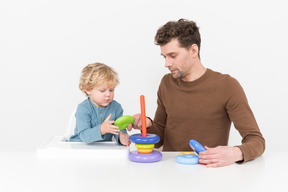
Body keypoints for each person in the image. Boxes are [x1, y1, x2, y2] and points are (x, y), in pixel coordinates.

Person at [127, 19, 265, 167]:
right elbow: (159, 138)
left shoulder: (227, 86)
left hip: (209, 172)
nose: (167, 64)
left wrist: (235, 153)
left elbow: (256, 140)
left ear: (194, 50)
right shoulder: (166, 83)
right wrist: (146, 125)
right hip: (169, 171)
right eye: (164, 57)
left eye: (172, 56)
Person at [68, 62, 130, 146]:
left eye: (111, 90)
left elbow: (119, 130)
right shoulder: (83, 108)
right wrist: (101, 129)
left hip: (102, 148)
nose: (108, 94)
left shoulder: (116, 107)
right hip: (79, 147)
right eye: (102, 90)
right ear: (88, 90)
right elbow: (84, 135)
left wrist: (121, 137)